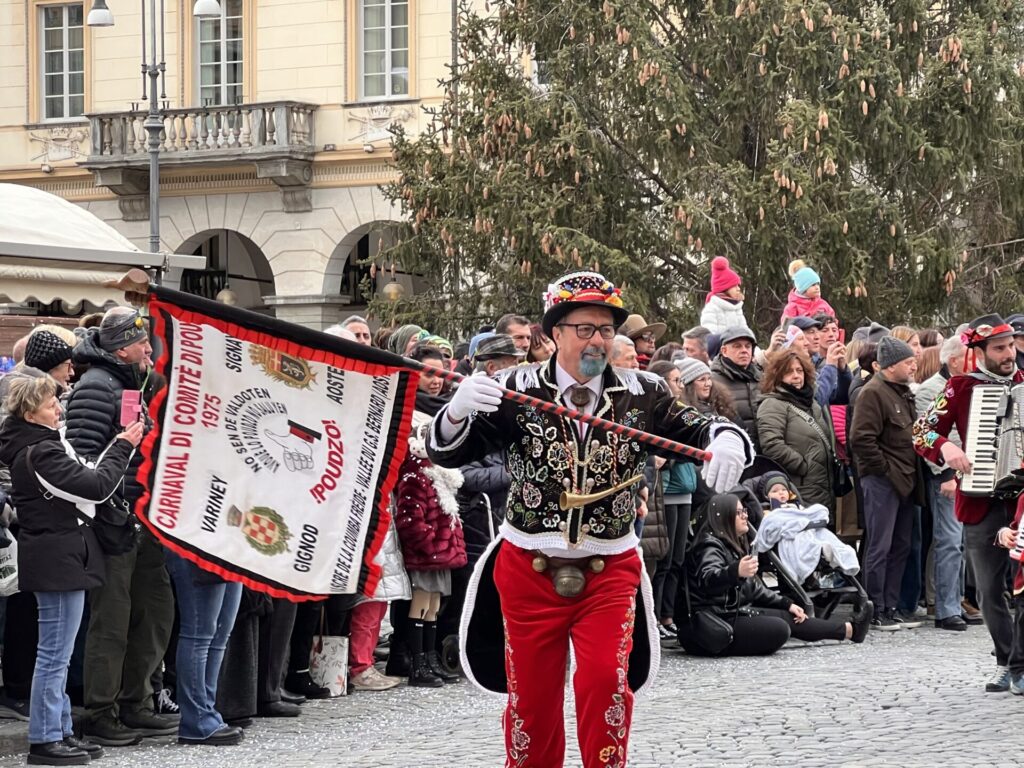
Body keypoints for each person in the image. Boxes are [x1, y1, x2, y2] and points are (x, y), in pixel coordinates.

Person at [427, 270, 752, 768]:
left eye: (606, 328)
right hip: (529, 565)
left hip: (608, 568)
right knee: (531, 702)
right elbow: (450, 455)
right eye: (585, 328)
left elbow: (696, 425)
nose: (598, 338)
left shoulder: (642, 392)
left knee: (605, 683)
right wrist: (455, 413)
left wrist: (725, 436)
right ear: (554, 333)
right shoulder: (513, 388)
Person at [0, 374, 143, 765]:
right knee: (54, 654)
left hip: (59, 553)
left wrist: (117, 448)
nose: (59, 409)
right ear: (31, 412)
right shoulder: (40, 451)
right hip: (57, 556)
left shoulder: (41, 444)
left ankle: (59, 729)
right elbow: (94, 487)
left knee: (56, 652)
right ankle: (46, 739)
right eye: (51, 405)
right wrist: (122, 447)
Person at [65, 308, 177, 746]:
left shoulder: (129, 383)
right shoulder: (96, 387)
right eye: (140, 342)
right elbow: (81, 459)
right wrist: (112, 509)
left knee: (154, 611)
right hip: (111, 523)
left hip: (139, 519)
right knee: (111, 622)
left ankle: (138, 701)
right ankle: (101, 711)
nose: (149, 349)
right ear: (119, 347)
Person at [913, 314, 1024, 691]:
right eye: (999, 348)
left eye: (1010, 346)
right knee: (991, 588)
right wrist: (946, 448)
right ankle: (1007, 661)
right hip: (983, 501)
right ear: (978, 352)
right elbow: (922, 430)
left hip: (1022, 502)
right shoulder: (961, 387)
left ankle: (1020, 662)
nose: (1009, 354)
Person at [678, 494, 870, 656]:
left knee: (790, 616)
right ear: (724, 517)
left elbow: (753, 589)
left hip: (730, 613)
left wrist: (787, 603)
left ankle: (851, 630)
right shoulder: (708, 545)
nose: (745, 516)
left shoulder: (730, 544)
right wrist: (734, 572)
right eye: (739, 513)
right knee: (779, 629)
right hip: (711, 622)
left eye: (744, 511)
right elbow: (708, 580)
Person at [396, 345, 468, 687]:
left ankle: (429, 659)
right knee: (421, 602)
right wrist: (427, 541)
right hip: (428, 545)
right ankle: (417, 662)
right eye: (429, 374)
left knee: (434, 604)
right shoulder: (407, 421)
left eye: (442, 374)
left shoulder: (448, 416)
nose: (437, 382)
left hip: (441, 541)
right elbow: (411, 512)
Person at [849, 336, 921, 630]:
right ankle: (874, 607)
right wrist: (885, 470)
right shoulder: (873, 393)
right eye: (907, 362)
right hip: (883, 480)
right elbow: (861, 439)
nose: (914, 365)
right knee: (880, 544)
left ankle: (891, 606)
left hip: (905, 479)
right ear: (890, 366)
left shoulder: (901, 391)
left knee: (901, 544)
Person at [914, 335, 971, 631]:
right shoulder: (930, 391)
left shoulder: (969, 385)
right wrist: (947, 474)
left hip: (970, 474)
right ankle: (945, 607)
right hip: (946, 476)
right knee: (948, 541)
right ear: (954, 361)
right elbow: (929, 435)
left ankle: (957, 600)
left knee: (962, 542)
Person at [756, 349, 837, 510]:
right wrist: (803, 466)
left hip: (824, 485)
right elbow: (771, 444)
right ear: (777, 375)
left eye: (799, 371)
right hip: (799, 488)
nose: (796, 376)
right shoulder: (772, 404)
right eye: (789, 371)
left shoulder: (811, 403)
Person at [710, 326, 762, 449]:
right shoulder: (713, 381)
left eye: (748, 346)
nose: (744, 350)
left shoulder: (762, 377)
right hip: (734, 451)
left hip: (766, 454)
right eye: (737, 346)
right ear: (724, 351)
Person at [699, 257, 748, 333]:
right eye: (734, 286)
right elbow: (709, 336)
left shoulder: (737, 308)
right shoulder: (711, 308)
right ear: (724, 287)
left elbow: (745, 332)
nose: (738, 289)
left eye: (738, 286)